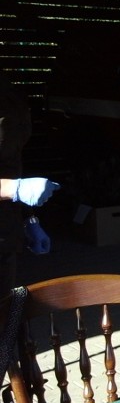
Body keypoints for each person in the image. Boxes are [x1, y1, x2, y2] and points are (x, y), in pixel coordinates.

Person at [0, 71, 60, 295]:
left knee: (8, 319)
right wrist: (13, 189)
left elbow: (11, 160)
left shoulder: (8, 91)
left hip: (6, 236)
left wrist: (28, 218)